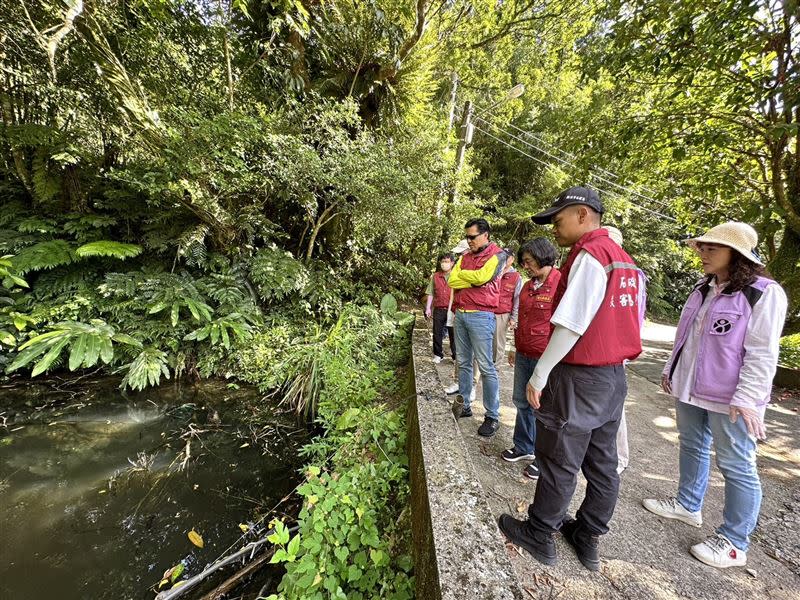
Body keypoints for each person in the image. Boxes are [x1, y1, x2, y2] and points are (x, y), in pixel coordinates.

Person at [498, 186, 642, 571]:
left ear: (582, 214)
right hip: (612, 378)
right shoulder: (624, 261)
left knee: (559, 458)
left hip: (579, 376)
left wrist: (540, 373)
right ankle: (588, 536)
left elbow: (571, 323)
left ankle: (540, 532)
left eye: (558, 220)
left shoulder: (591, 255)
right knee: (602, 462)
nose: (555, 229)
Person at [642, 222, 787, 569]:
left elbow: (762, 351)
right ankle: (688, 504)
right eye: (702, 248)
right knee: (691, 444)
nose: (703, 255)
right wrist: (671, 371)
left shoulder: (764, 293)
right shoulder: (703, 287)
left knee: (737, 465)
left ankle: (735, 542)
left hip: (733, 397)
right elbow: (687, 336)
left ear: (737, 255)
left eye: (713, 249)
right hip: (692, 387)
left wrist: (747, 397)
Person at [501, 238, 560, 482]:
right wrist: (515, 347)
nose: (526, 266)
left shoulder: (560, 283)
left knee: (543, 407)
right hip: (524, 350)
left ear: (542, 257)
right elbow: (522, 319)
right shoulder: (527, 286)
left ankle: (542, 457)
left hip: (546, 355)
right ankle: (523, 445)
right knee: (521, 401)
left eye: (529, 261)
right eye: (524, 262)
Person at [448, 218, 507, 437]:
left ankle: (492, 416)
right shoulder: (464, 257)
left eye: (472, 237)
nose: (469, 241)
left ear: (485, 235)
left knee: (486, 366)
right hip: (461, 313)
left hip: (482, 315)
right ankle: (464, 405)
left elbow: (483, 277)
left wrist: (469, 277)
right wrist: (470, 279)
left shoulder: (497, 256)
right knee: (463, 362)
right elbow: (452, 281)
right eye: (467, 237)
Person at [603, 225, 647, 475]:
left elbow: (633, 315)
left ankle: (619, 457)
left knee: (613, 406)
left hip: (615, 350)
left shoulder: (630, 274)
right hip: (604, 348)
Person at [493, 249, 523, 371]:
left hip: (503, 314)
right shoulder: (494, 271)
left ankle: (496, 366)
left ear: (512, 259)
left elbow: (517, 299)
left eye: (507, 257)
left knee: (498, 342)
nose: (505, 259)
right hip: (487, 310)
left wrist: (513, 318)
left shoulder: (516, 277)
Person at [425, 253, 457, 364]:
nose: (444, 264)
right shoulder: (436, 276)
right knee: (437, 332)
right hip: (438, 308)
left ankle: (455, 356)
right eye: (443, 261)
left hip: (452, 309)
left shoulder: (456, 275)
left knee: (453, 334)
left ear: (452, 263)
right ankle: (438, 354)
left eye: (447, 261)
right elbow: (430, 293)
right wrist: (428, 308)